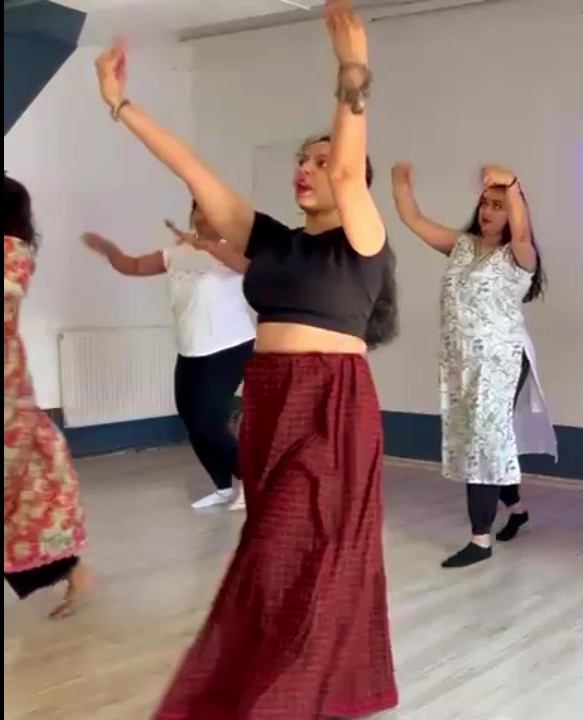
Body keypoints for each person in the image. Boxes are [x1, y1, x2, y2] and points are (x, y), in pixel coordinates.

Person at [94, 2, 400, 716]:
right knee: (273, 555)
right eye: (301, 160)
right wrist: (120, 106)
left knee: (295, 545)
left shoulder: (362, 240)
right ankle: (290, 682)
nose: (306, 169)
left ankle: (283, 696)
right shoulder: (271, 241)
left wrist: (352, 71)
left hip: (331, 403)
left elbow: (349, 171)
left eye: (319, 161)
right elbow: (194, 171)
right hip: (270, 401)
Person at [391, 161, 557, 568]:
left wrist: (511, 183)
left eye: (499, 205)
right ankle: (516, 509)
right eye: (485, 203)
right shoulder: (462, 245)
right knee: (481, 437)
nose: (488, 211)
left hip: (501, 360)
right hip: (461, 359)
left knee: (483, 440)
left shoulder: (520, 256)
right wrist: (401, 185)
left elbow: (521, 232)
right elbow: (414, 219)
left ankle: (479, 539)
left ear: (513, 212)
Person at [82, 201, 255, 511]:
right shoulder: (176, 253)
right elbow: (134, 266)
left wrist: (205, 245)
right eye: (198, 208)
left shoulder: (234, 249)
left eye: (210, 207)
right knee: (190, 417)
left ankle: (251, 483)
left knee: (208, 421)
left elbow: (248, 269)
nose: (204, 214)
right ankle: (222, 486)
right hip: (191, 347)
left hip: (229, 345)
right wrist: (108, 249)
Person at [3, 173, 94, 619]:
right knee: (26, 493)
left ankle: (72, 569)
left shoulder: (12, 254)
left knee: (24, 491)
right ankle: (71, 570)